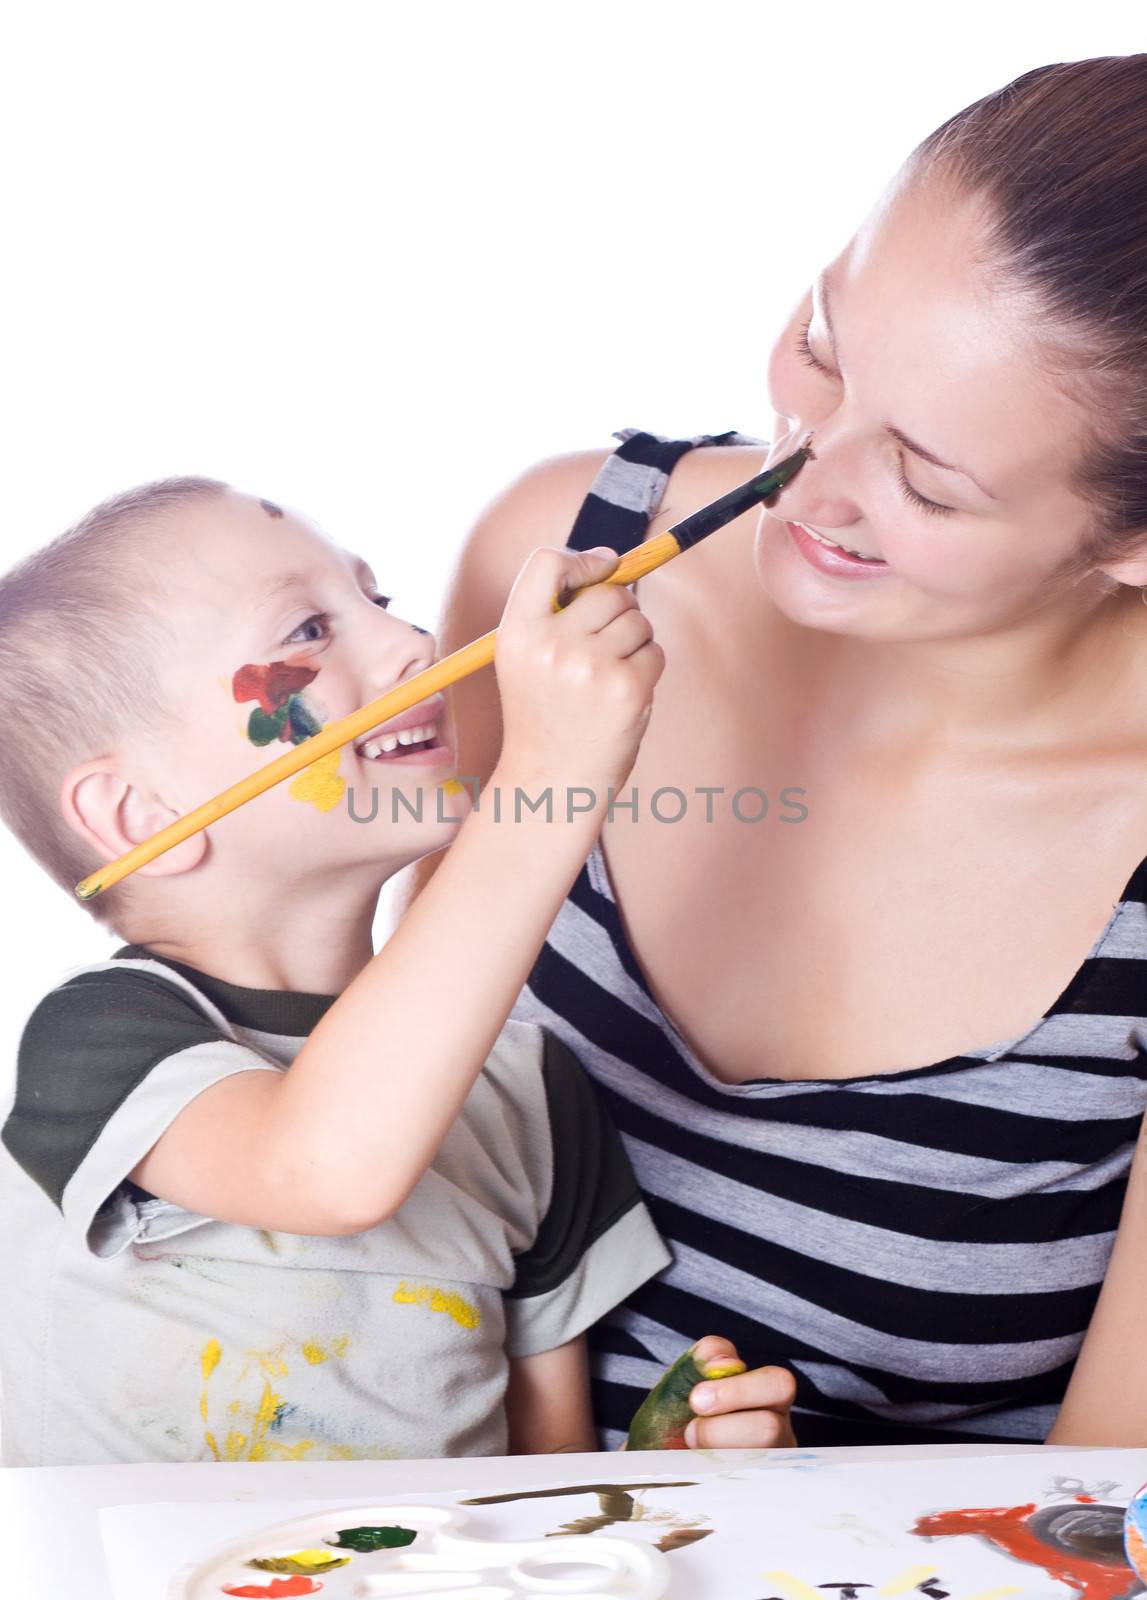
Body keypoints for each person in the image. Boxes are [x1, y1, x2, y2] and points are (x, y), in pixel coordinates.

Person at [396, 54, 1147, 1449]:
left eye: (922, 478)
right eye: (821, 342)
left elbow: (1111, 1514)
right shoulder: (561, 564)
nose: (803, 469)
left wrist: (790, 1512)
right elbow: (371, 1157)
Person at [0, 480, 781, 1465]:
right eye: (312, 626)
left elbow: (548, 1485)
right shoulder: (100, 1040)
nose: (410, 643)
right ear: (142, 816)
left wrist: (684, 1473)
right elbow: (325, 1166)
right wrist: (547, 782)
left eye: (378, 598)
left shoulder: (533, 1093)